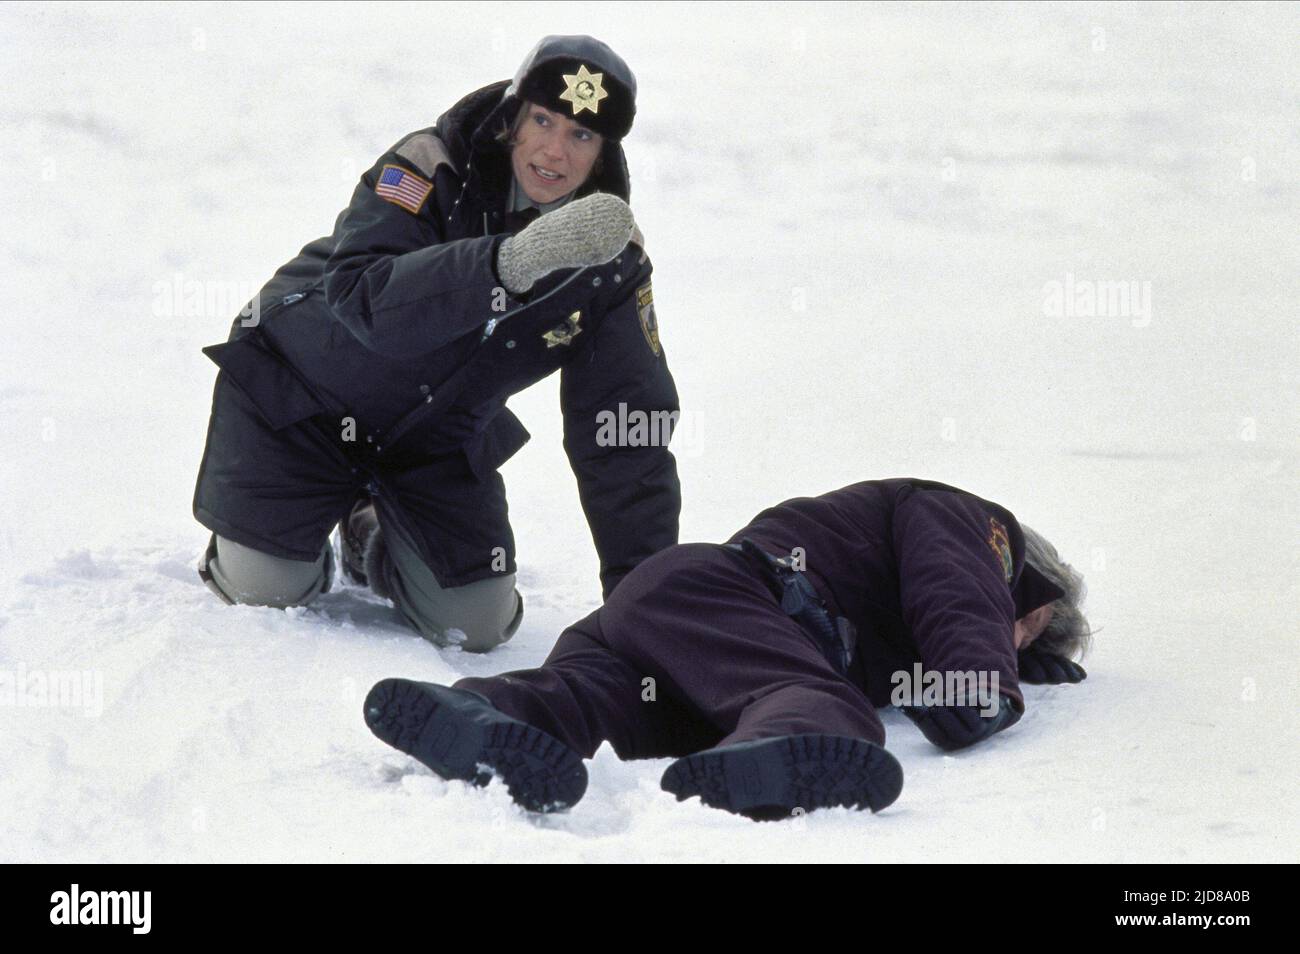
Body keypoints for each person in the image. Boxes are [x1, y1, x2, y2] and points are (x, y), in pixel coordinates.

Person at [191, 36, 681, 652]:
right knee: (269, 588)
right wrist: (509, 263)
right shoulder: (428, 163)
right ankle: (281, 533)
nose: (556, 150)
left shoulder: (611, 261)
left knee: (475, 627)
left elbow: (622, 428)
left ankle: (368, 529)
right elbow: (363, 301)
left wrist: (648, 604)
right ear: (511, 116)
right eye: (543, 120)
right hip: (300, 397)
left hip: (432, 440)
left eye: (583, 136)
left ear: (605, 152)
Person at [363, 477, 1092, 820]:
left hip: (675, 631)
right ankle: (791, 740)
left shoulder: (909, 617)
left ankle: (483, 714)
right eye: (1028, 627)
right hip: (733, 597)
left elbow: (943, 621)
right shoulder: (977, 526)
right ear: (1032, 595)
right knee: (814, 700)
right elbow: (956, 589)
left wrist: (1003, 665)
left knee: (588, 700)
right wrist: (981, 683)